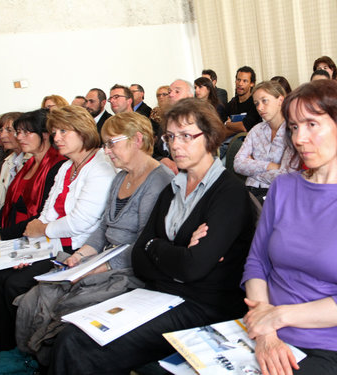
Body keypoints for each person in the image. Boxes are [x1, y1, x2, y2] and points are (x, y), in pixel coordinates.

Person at [50, 98, 257, 374]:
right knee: (72, 332)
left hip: (204, 305)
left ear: (209, 137)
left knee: (78, 344)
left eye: (186, 135)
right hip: (157, 295)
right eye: (170, 136)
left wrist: (155, 246)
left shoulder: (228, 192)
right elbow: (140, 258)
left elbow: (192, 267)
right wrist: (173, 249)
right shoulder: (173, 187)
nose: (175, 145)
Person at [241, 80, 337, 375]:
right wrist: (267, 333)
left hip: (327, 345)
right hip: (264, 331)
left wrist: (277, 317)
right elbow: (257, 263)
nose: (299, 138)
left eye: (312, 124)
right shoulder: (283, 187)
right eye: (295, 127)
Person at [15, 111, 174, 365]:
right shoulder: (121, 176)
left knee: (66, 308)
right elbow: (102, 226)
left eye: (112, 143)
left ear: (137, 140)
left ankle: (51, 361)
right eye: (105, 144)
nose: (107, 151)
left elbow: (146, 242)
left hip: (132, 267)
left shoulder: (158, 181)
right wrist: (81, 256)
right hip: (103, 258)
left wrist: (102, 266)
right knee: (38, 295)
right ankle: (34, 360)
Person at [0, 105, 116, 351]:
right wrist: (33, 247)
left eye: (63, 131)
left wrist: (42, 232)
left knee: (14, 283)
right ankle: (7, 348)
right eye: (54, 131)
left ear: (82, 131)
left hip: (79, 248)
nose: (56, 138)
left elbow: (79, 222)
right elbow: (47, 212)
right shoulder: (65, 167)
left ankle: (24, 350)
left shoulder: (100, 165)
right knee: (0, 275)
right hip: (53, 243)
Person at [0, 109, 66, 240]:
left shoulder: (58, 166)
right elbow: (10, 204)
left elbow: (43, 213)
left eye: (26, 132)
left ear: (44, 134)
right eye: (19, 132)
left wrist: (3, 234)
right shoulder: (28, 164)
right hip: (13, 232)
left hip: (35, 236)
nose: (19, 137)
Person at [234, 81, 295, 203]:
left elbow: (286, 176)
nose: (259, 108)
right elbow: (237, 164)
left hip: (279, 194)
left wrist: (252, 169)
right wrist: (269, 166)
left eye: (264, 101)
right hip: (250, 191)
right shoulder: (256, 130)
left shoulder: (293, 131)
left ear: (280, 100)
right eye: (256, 103)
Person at [0, 112, 29, 216]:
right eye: (1, 130)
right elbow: (1, 203)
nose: (2, 135)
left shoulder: (32, 162)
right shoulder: (7, 162)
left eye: (9, 130)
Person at [224, 66, 262, 136]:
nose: (240, 84)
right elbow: (220, 129)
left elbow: (244, 127)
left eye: (245, 81)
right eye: (238, 80)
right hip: (230, 144)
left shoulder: (255, 103)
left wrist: (227, 124)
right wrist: (236, 127)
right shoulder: (232, 103)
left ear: (252, 84)